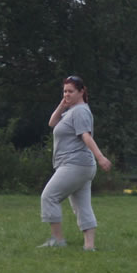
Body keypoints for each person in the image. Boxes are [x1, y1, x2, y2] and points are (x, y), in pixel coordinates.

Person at [39, 75, 112, 251]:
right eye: (64, 91)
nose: (66, 94)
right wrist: (62, 105)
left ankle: (58, 240)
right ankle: (89, 246)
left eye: (70, 91)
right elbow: (52, 123)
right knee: (82, 205)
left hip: (75, 164)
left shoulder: (80, 111)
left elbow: (86, 136)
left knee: (49, 197)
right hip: (80, 165)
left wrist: (100, 157)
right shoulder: (71, 111)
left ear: (81, 92)